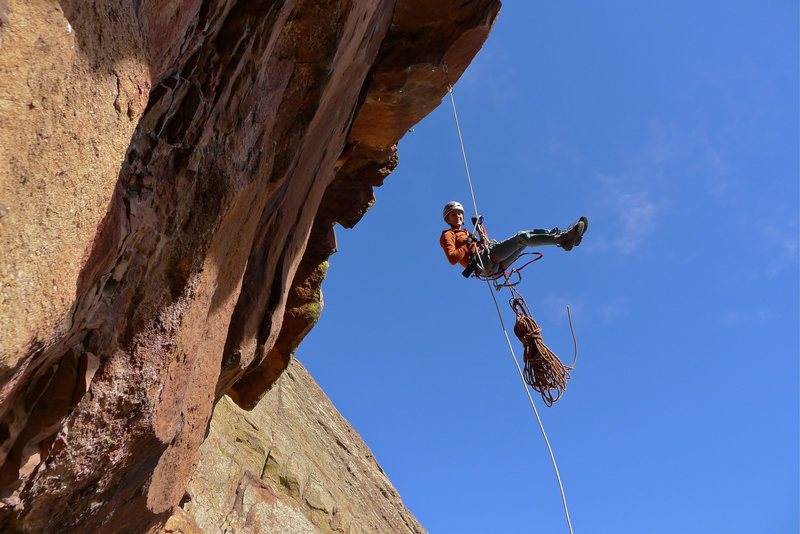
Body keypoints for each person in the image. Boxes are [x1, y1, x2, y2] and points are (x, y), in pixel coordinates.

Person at [439, 201, 588, 277]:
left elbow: (486, 243)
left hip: (491, 262)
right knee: (522, 237)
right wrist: (467, 243)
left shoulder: (466, 232)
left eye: (459, 213)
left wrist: (480, 229)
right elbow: (452, 258)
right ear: (448, 219)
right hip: (482, 263)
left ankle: (564, 237)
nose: (458, 216)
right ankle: (562, 238)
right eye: (453, 214)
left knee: (523, 242)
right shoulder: (448, 235)